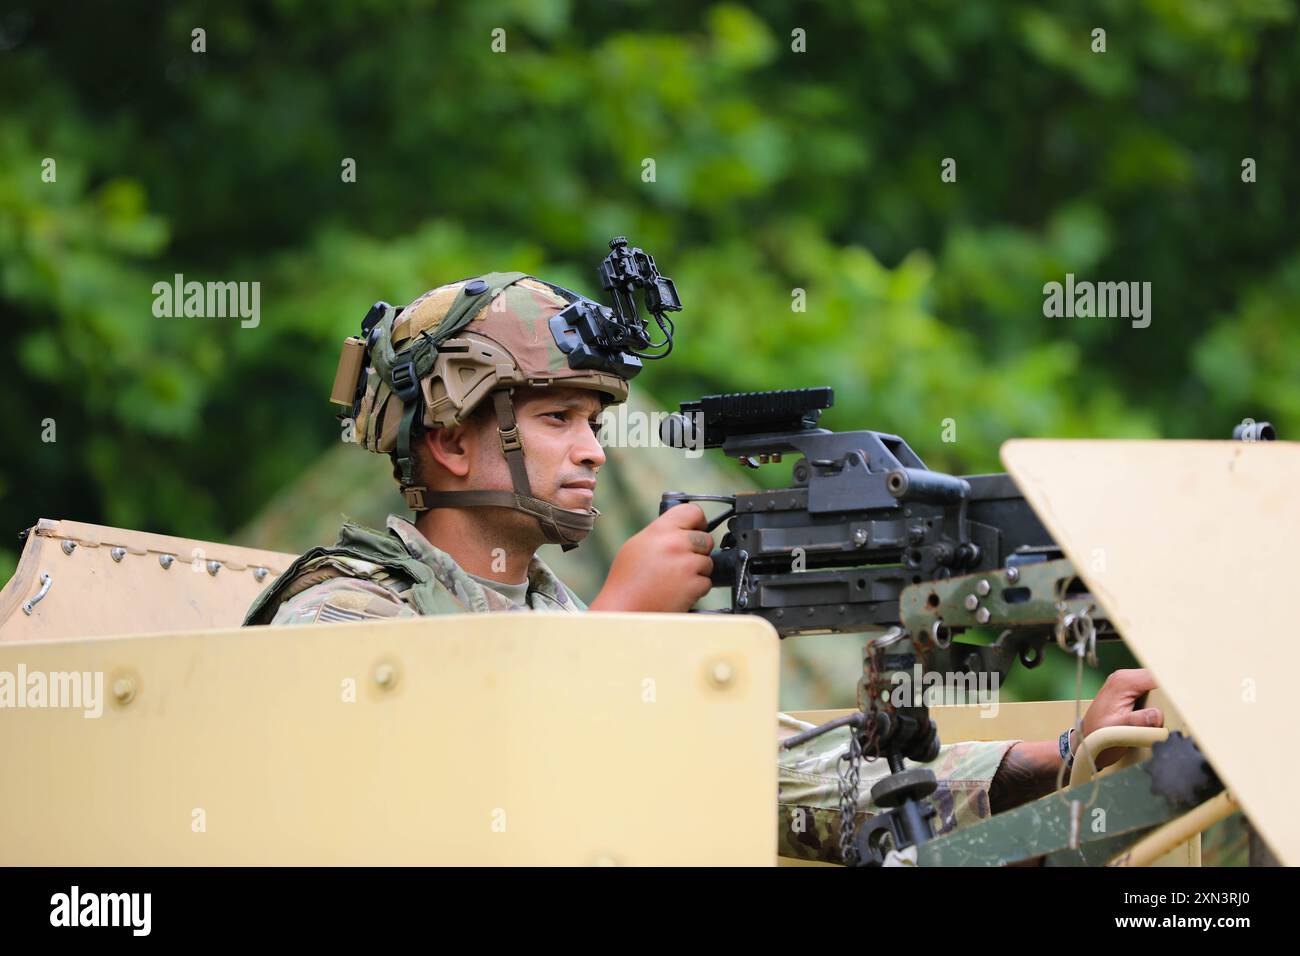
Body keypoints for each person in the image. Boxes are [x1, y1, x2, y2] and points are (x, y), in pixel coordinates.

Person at [244, 269, 1163, 863]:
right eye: (556, 420)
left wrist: (1061, 756)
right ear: (448, 443)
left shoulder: (555, 618)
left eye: (595, 423)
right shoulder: (346, 614)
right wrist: (620, 631)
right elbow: (420, 805)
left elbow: (784, 777)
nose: (594, 452)